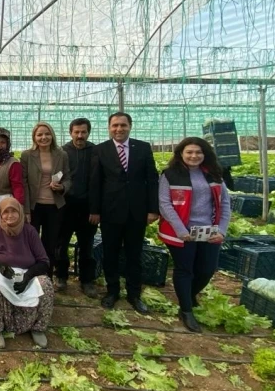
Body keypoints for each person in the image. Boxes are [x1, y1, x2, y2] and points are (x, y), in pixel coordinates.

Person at [158, 137, 231, 332]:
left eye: (198, 152)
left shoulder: (214, 174)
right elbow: (165, 204)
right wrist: (181, 230)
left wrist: (221, 230)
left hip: (209, 231)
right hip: (181, 232)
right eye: (189, 152)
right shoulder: (170, 174)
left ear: (205, 154)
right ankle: (186, 310)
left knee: (207, 269)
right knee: (184, 270)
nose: (194, 156)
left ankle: (188, 295)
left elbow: (224, 204)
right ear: (181, 154)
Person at [89, 112, 159, 314]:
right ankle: (112, 291)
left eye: (123, 125)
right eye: (115, 126)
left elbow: (152, 179)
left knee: (134, 254)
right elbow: (95, 182)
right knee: (110, 252)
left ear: (130, 126)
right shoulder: (101, 150)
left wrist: (153, 209)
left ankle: (134, 294)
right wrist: (94, 210)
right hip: (110, 211)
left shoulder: (143, 148)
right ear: (109, 128)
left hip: (137, 211)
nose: (119, 129)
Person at [0, 198, 54, 349]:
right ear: (0, 214)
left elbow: (44, 262)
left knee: (46, 285)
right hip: (2, 275)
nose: (10, 215)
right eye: (6, 212)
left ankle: (37, 328)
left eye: (14, 211)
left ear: (20, 213)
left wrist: (28, 276)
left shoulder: (29, 231)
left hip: (26, 275)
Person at [20, 122, 70, 281]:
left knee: (50, 243)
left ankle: (46, 278)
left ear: (52, 135)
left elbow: (68, 178)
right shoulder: (27, 155)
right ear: (34, 137)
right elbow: (24, 183)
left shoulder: (61, 155)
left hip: (55, 206)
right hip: (34, 206)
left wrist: (62, 187)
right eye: (39, 135)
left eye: (47, 134)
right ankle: (30, 276)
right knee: (31, 243)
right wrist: (26, 210)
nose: (44, 137)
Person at [57, 118, 99, 298]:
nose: (80, 135)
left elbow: (100, 182)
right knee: (61, 244)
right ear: (71, 133)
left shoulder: (96, 152)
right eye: (77, 132)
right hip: (65, 206)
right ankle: (61, 277)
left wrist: (96, 209)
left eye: (83, 132)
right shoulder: (62, 152)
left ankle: (86, 280)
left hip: (88, 207)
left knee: (86, 246)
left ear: (88, 133)